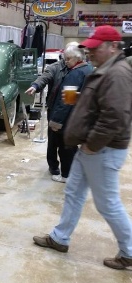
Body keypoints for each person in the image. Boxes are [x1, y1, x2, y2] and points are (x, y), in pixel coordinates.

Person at [33, 25, 132, 270]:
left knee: (107, 203)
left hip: (102, 149)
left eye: (96, 49)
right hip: (89, 148)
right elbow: (97, 105)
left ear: (113, 47)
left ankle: (129, 250)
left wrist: (92, 145)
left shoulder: (117, 73)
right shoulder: (104, 69)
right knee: (74, 193)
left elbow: (115, 116)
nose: (91, 54)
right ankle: (60, 237)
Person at [25, 42, 79, 177]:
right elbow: (45, 77)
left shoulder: (78, 68)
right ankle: (53, 165)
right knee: (53, 140)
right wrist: (35, 86)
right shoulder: (55, 67)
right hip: (55, 110)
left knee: (68, 141)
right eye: (67, 57)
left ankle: (69, 167)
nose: (68, 60)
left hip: (71, 111)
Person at [46, 45, 93, 183]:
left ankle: (66, 175)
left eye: (68, 59)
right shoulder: (88, 69)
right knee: (72, 148)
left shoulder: (75, 74)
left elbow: (66, 101)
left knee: (65, 148)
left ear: (78, 58)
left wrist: (56, 121)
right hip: (79, 116)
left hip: (68, 118)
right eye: (65, 59)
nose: (65, 62)